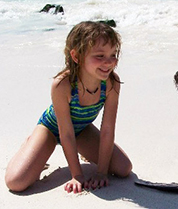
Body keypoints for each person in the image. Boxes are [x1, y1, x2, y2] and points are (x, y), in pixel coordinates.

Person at [5, 21, 132, 194]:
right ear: (77, 56)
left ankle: (83, 150)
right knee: (16, 182)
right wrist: (77, 174)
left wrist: (101, 172)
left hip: (81, 130)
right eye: (100, 56)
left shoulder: (111, 83)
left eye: (113, 54)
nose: (108, 62)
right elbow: (65, 133)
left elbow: (108, 129)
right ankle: (30, 144)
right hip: (50, 130)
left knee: (124, 168)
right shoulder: (62, 84)